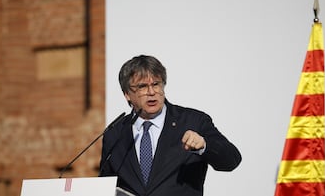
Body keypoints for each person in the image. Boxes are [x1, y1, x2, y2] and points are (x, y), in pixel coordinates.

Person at [99, 55, 241, 196]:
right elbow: (105, 186)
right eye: (142, 86)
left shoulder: (193, 121)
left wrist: (204, 146)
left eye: (156, 84)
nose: (151, 92)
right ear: (127, 94)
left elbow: (231, 160)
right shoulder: (115, 134)